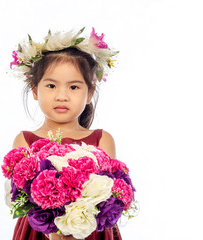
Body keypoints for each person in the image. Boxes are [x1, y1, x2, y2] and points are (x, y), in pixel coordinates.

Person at [9, 28, 122, 240]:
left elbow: (111, 195)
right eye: (51, 85)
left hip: (89, 230)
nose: (62, 96)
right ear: (35, 90)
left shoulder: (102, 140)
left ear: (89, 93)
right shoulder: (25, 140)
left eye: (74, 87)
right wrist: (54, 229)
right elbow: (21, 197)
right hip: (40, 231)